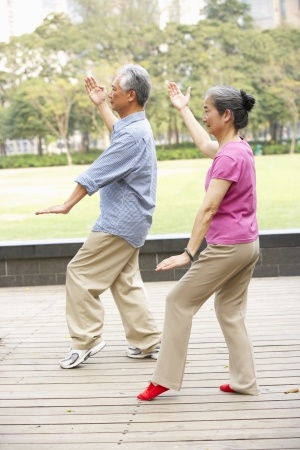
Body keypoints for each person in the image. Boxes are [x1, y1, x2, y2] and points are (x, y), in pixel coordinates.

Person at [137, 81, 260, 401]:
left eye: (207, 111)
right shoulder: (239, 147)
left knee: (178, 302)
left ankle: (164, 379)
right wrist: (183, 109)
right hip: (248, 244)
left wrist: (188, 253)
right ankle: (244, 381)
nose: (205, 116)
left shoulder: (229, 156)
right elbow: (206, 145)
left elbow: (208, 208)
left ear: (227, 115)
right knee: (229, 311)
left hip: (228, 247)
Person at [36, 64, 161, 369]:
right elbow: (119, 133)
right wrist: (101, 104)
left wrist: (67, 204)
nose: (110, 92)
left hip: (120, 221)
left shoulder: (133, 136)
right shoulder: (136, 127)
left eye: (114, 89)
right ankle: (146, 341)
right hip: (133, 219)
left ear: (131, 95)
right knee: (125, 280)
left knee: (79, 273)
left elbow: (97, 172)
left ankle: (86, 340)